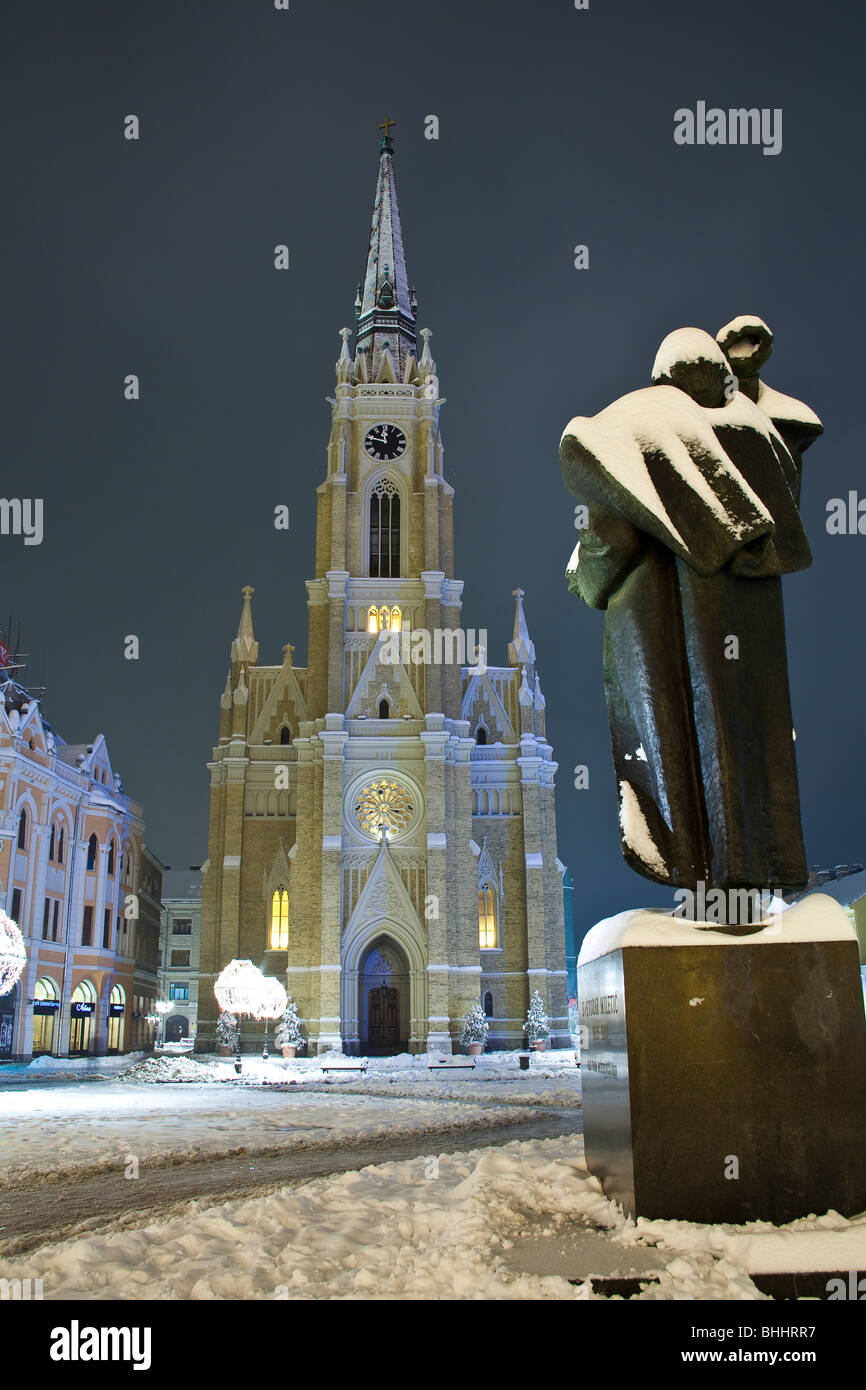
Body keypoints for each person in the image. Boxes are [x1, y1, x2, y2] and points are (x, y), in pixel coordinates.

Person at [560, 323, 820, 893]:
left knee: (679, 750)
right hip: (747, 641)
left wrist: (581, 572)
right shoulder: (754, 444)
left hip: (665, 645)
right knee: (748, 741)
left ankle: (705, 880)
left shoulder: (644, 433)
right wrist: (748, 379)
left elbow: (612, 538)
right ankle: (755, 872)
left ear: (662, 380)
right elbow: (787, 438)